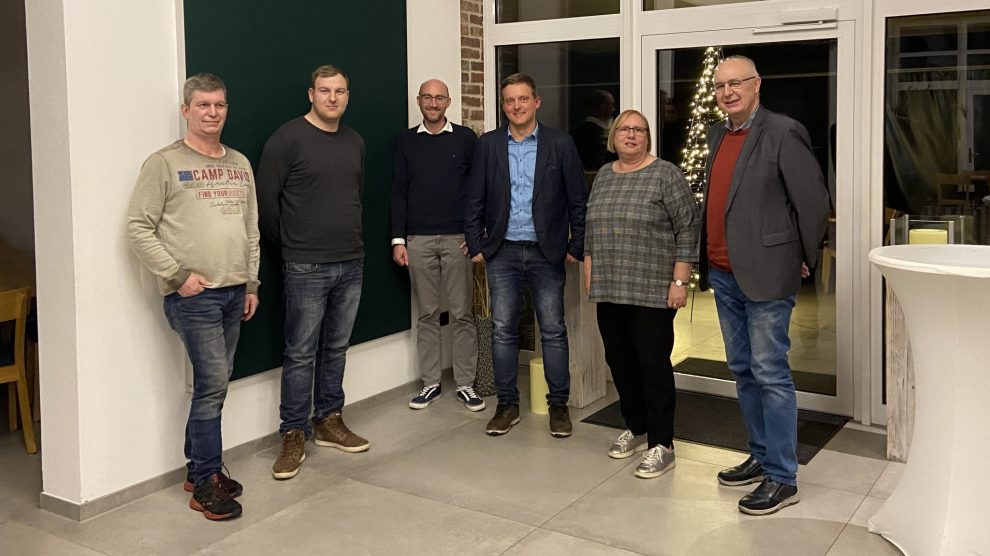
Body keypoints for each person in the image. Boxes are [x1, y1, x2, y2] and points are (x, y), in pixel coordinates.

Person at [699, 55, 830, 515]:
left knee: (770, 371)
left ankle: (782, 476)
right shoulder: (718, 134)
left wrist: (804, 257)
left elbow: (812, 201)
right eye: (720, 85)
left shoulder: (781, 131)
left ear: (758, 85)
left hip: (767, 272)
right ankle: (759, 454)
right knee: (743, 369)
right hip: (723, 271)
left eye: (737, 83)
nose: (727, 91)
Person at [126, 73, 258, 521]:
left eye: (219, 105)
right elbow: (138, 228)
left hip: (234, 291)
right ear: (186, 110)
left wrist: (251, 283)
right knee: (211, 387)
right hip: (194, 297)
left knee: (213, 386)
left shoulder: (239, 163)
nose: (213, 112)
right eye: (203, 105)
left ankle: (197, 467)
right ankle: (205, 483)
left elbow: (250, 229)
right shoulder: (163, 164)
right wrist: (176, 275)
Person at [257, 64, 370, 481]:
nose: (333, 98)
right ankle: (293, 433)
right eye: (325, 91)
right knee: (300, 352)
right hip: (305, 263)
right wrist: (292, 249)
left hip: (351, 260)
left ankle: (328, 420)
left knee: (336, 348)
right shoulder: (286, 140)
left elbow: (355, 196)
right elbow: (267, 208)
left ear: (347, 95)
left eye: (340, 91)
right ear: (311, 94)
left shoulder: (355, 141)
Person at [463, 73, 588, 437]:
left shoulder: (560, 144)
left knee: (552, 330)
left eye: (522, 99)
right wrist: (476, 245)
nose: (516, 106)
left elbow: (578, 200)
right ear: (503, 106)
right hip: (501, 252)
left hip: (546, 253)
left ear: (537, 102)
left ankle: (558, 406)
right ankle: (507, 405)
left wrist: (575, 246)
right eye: (509, 101)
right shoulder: (487, 145)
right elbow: (473, 198)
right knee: (503, 330)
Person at [583, 109, 699, 479]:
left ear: (647, 137)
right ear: (613, 136)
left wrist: (679, 282)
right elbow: (591, 228)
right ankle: (636, 426)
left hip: (652, 291)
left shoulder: (666, 174)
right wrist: (590, 271)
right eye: (624, 129)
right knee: (620, 363)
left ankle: (663, 443)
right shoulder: (603, 175)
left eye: (639, 130)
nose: (631, 135)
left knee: (653, 365)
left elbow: (687, 229)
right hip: (610, 287)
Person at [391, 79, 483, 411]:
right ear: (419, 101)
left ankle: (466, 384)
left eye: (439, 97)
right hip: (418, 240)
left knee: (462, 314)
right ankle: (430, 383)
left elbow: (478, 190)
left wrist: (474, 237)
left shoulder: (465, 139)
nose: (433, 103)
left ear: (449, 101)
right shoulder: (405, 141)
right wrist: (398, 239)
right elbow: (399, 191)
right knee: (427, 314)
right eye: (427, 97)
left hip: (458, 239)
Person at [571, 89, 617, 172]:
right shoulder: (590, 132)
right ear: (602, 106)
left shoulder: (581, 130)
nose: (613, 109)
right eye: (610, 105)